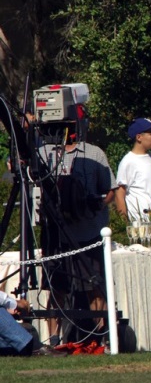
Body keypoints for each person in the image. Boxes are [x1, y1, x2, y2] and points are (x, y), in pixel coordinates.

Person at [39, 129, 117, 343]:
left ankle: (101, 336)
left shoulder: (94, 153)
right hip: (57, 235)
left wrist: (96, 203)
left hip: (88, 232)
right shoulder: (43, 153)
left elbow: (111, 189)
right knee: (56, 289)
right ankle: (54, 339)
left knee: (94, 287)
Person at [115, 118, 151, 223]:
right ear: (139, 137)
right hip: (139, 221)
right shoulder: (128, 161)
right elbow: (119, 193)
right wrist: (125, 223)